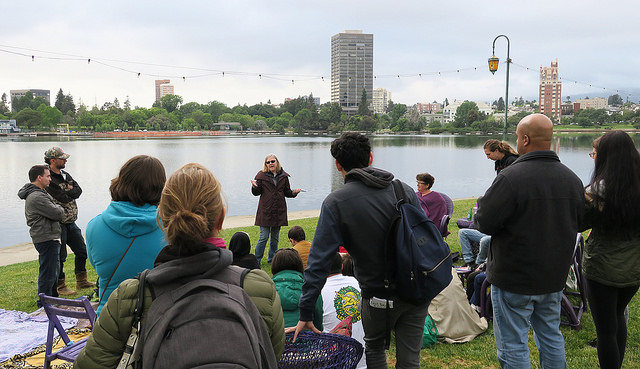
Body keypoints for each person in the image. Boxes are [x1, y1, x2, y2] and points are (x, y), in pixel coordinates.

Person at [75, 163, 285, 367]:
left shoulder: (130, 296)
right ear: (220, 219)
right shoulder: (259, 287)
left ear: (162, 220)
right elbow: (269, 357)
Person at [292, 132, 428, 369]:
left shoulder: (336, 202)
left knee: (374, 348)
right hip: (417, 287)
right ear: (371, 158)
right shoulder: (402, 189)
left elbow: (319, 262)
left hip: (377, 293)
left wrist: (305, 312)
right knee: (410, 358)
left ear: (338, 164)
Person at [475, 114, 584, 368]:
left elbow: (484, 222)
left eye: (516, 136)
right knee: (550, 336)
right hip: (552, 277)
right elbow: (581, 221)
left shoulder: (511, 177)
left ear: (525, 139)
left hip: (514, 277)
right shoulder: (571, 179)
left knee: (513, 343)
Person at [580, 130, 640, 368]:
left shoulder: (597, 192)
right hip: (634, 267)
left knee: (605, 330)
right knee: (618, 316)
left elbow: (579, 224)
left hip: (602, 267)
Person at [85, 155, 167, 316]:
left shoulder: (94, 226)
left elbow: (97, 266)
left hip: (108, 321)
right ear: (161, 187)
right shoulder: (172, 227)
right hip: (156, 321)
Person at [44, 146, 95, 295]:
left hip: (71, 221)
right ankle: (61, 285)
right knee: (61, 257)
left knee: (82, 251)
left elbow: (78, 191)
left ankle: (82, 281)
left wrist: (69, 190)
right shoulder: (48, 178)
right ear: (53, 160)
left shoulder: (66, 175)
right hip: (58, 223)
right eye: (62, 158)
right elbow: (62, 197)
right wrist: (69, 190)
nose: (66, 160)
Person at [18, 165, 64, 307]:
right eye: (48, 176)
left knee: (53, 270)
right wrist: (59, 208)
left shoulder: (40, 192)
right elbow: (58, 212)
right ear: (39, 178)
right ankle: (44, 303)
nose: (50, 179)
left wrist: (57, 207)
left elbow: (55, 208)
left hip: (49, 236)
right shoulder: (37, 196)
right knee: (48, 272)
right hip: (46, 237)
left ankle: (52, 300)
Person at [251, 154, 301, 264]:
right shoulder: (261, 175)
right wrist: (254, 187)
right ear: (265, 164)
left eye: (272, 161)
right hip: (265, 210)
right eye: (268, 162)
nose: (270, 164)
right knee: (263, 237)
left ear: (277, 162)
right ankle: (256, 260)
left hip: (279, 210)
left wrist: (294, 192)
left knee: (275, 237)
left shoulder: (283, 176)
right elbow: (257, 192)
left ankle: (272, 259)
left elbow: (287, 192)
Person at [321, 252, 366, 369]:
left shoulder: (319, 290)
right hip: (364, 358)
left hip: (334, 361)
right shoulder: (358, 283)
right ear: (341, 266)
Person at [271, 248, 323, 330]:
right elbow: (318, 321)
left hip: (276, 339)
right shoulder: (311, 289)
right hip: (306, 339)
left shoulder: (268, 290)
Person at [415, 172, 449, 237]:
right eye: (417, 182)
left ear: (427, 185)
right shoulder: (415, 195)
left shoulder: (436, 198)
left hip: (428, 225)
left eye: (420, 183)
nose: (417, 185)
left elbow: (440, 214)